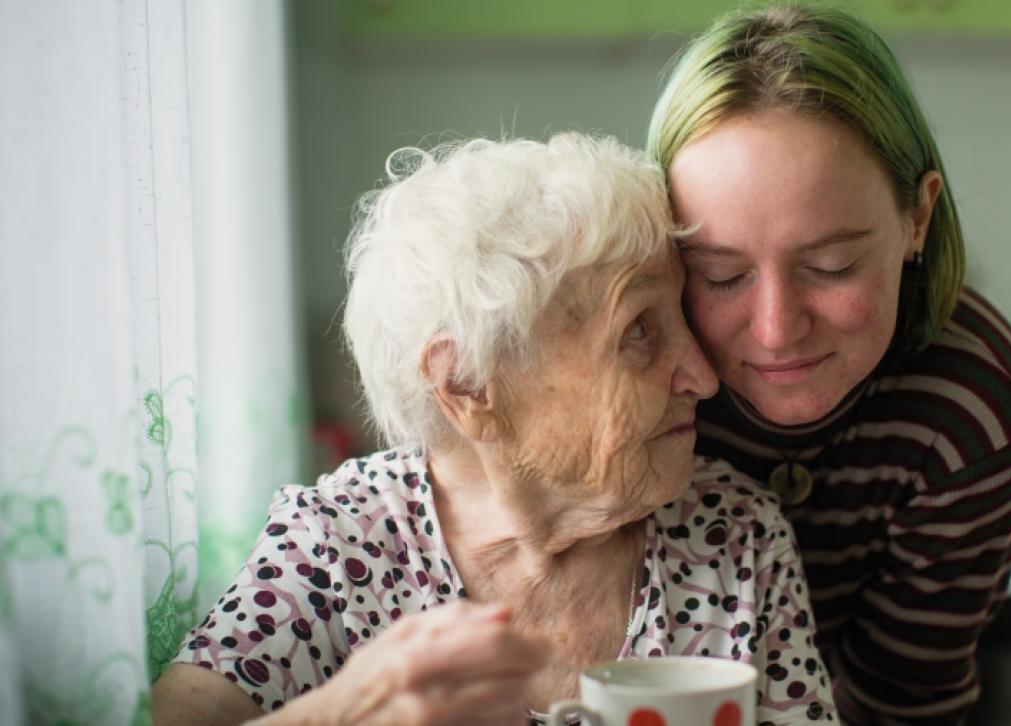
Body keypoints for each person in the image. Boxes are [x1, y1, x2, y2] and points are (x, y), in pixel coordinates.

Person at [150, 133, 836, 725]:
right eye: (640, 333)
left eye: (680, 315)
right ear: (469, 386)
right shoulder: (337, 541)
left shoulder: (735, 537)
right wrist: (341, 713)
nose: (702, 375)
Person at [647, 5, 1011, 723]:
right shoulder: (623, 379)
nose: (775, 332)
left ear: (917, 219)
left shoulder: (973, 408)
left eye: (831, 265)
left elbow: (902, 700)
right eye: (718, 274)